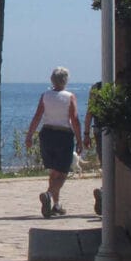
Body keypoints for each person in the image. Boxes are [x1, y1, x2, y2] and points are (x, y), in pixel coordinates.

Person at [25, 67, 85, 217]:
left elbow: (37, 116)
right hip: (63, 135)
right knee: (63, 172)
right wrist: (79, 140)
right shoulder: (70, 97)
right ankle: (49, 195)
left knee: (53, 172)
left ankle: (56, 205)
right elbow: (75, 120)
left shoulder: (45, 95)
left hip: (47, 134)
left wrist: (30, 135)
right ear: (65, 80)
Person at [83, 81, 104, 215]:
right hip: (114, 130)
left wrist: (86, 134)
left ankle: (104, 192)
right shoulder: (119, 83)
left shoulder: (96, 87)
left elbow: (90, 112)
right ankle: (105, 193)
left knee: (105, 163)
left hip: (98, 130)